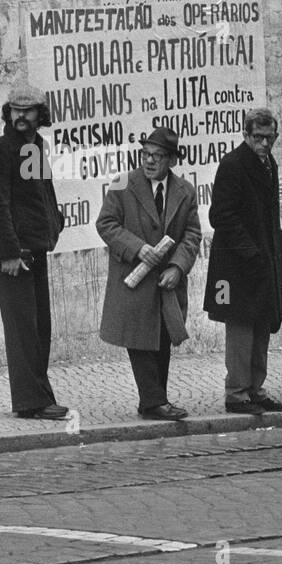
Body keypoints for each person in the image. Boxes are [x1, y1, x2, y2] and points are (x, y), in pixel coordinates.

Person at [96, 125, 202, 421]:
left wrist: (177, 267)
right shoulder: (122, 183)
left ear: (172, 160)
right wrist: (138, 248)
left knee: (162, 338)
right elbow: (106, 224)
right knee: (139, 340)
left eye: (157, 156)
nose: (150, 161)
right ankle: (155, 401)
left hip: (165, 282)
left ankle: (153, 402)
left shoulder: (185, 191)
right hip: (133, 280)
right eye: (145, 155)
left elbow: (192, 234)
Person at [0, 83, 68, 419]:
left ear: (39, 115)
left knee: (39, 328)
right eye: (15, 110)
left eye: (27, 110)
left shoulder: (38, 146)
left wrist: (54, 224)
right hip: (15, 256)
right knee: (22, 332)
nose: (20, 116)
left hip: (37, 249)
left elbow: (44, 192)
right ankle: (31, 402)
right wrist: (8, 253)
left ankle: (40, 397)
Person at [203, 108, 282, 415]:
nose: (264, 144)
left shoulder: (269, 163)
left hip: (263, 260)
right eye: (258, 137)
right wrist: (252, 252)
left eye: (269, 138)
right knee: (241, 327)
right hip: (237, 264)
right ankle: (237, 393)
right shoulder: (233, 164)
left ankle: (256, 388)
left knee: (263, 324)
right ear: (245, 135)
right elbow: (220, 216)